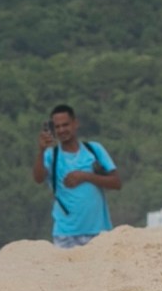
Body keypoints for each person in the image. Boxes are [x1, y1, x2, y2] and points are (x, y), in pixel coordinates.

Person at [32, 104, 121, 248]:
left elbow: (116, 182)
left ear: (75, 124)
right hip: (65, 233)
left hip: (98, 231)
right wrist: (41, 151)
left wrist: (85, 176)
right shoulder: (51, 155)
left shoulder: (94, 149)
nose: (62, 130)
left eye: (65, 125)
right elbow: (38, 178)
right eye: (57, 127)